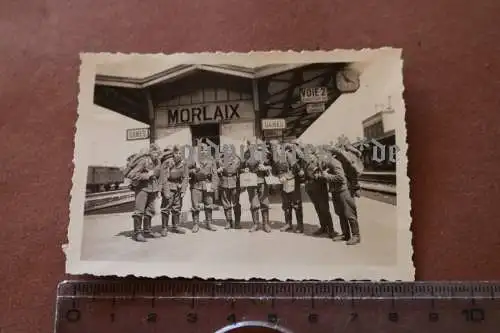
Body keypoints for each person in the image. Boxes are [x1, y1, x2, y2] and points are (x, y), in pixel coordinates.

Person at [323, 147, 361, 245]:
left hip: (344, 191)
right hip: (336, 191)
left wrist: (326, 176)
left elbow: (340, 178)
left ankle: (356, 236)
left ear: (329, 153)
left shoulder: (333, 162)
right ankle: (345, 234)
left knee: (350, 214)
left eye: (322, 153)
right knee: (340, 213)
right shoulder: (328, 162)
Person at [126, 143, 162, 242]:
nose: (156, 155)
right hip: (142, 189)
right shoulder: (143, 161)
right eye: (154, 152)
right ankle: (137, 233)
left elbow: (158, 175)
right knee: (139, 211)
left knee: (150, 211)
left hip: (152, 189)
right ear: (150, 152)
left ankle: (147, 230)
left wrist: (158, 189)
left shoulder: (157, 161)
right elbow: (131, 174)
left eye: (157, 153)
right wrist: (147, 175)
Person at [303, 145, 337, 238]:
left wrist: (319, 175)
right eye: (307, 154)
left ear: (314, 154)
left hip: (320, 189)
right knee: (318, 209)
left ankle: (331, 230)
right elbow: (306, 176)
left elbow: (326, 174)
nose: (308, 156)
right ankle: (323, 227)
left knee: (325, 210)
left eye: (309, 154)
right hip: (311, 190)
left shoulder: (320, 162)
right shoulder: (307, 163)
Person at [272, 142, 304, 233]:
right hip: (283, 184)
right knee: (286, 205)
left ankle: (300, 226)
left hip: (292, 183)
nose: (275, 150)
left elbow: (296, 169)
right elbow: (275, 172)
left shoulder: (289, 155)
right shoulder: (275, 159)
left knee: (296, 204)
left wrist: (286, 176)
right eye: (273, 148)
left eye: (277, 148)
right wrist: (277, 177)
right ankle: (288, 224)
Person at [241, 138, 272, 233]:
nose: (252, 146)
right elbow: (241, 168)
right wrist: (244, 170)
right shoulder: (245, 155)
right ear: (248, 145)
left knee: (264, 202)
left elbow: (271, 166)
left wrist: (265, 168)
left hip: (262, 181)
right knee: (254, 204)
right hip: (251, 182)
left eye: (254, 145)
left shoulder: (263, 153)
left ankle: (266, 224)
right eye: (250, 145)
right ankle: (255, 224)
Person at [188, 142, 219, 233]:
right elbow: (186, 170)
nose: (204, 152)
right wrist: (193, 170)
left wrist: (214, 185)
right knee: (195, 206)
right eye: (201, 150)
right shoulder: (193, 160)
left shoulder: (211, 160)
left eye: (205, 150)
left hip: (208, 184)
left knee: (209, 204)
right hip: (196, 185)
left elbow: (215, 174)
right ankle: (195, 224)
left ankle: (209, 223)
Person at [159, 145, 189, 236]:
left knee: (177, 207)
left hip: (178, 188)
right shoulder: (167, 163)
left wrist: (183, 190)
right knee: (166, 208)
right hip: (168, 185)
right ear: (173, 154)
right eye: (176, 153)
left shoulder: (184, 164)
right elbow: (163, 178)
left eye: (180, 153)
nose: (178, 155)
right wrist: (166, 191)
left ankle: (175, 226)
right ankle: (164, 228)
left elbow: (185, 177)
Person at [217, 144, 242, 229]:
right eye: (226, 150)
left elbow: (237, 169)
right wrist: (219, 171)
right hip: (224, 182)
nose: (228, 152)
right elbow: (215, 172)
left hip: (234, 182)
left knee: (236, 203)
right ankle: (229, 221)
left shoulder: (237, 160)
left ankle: (237, 222)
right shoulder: (220, 161)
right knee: (226, 203)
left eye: (230, 150)